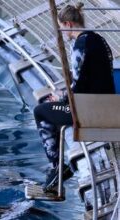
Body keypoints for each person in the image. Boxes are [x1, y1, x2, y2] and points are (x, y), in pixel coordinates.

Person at [33, 2, 116, 192]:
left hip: (89, 112)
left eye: (61, 28)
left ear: (68, 25)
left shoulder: (80, 44)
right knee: (50, 106)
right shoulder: (98, 39)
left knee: (41, 111)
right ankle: (61, 166)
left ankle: (57, 167)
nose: (62, 33)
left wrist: (60, 96)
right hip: (106, 105)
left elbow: (76, 85)